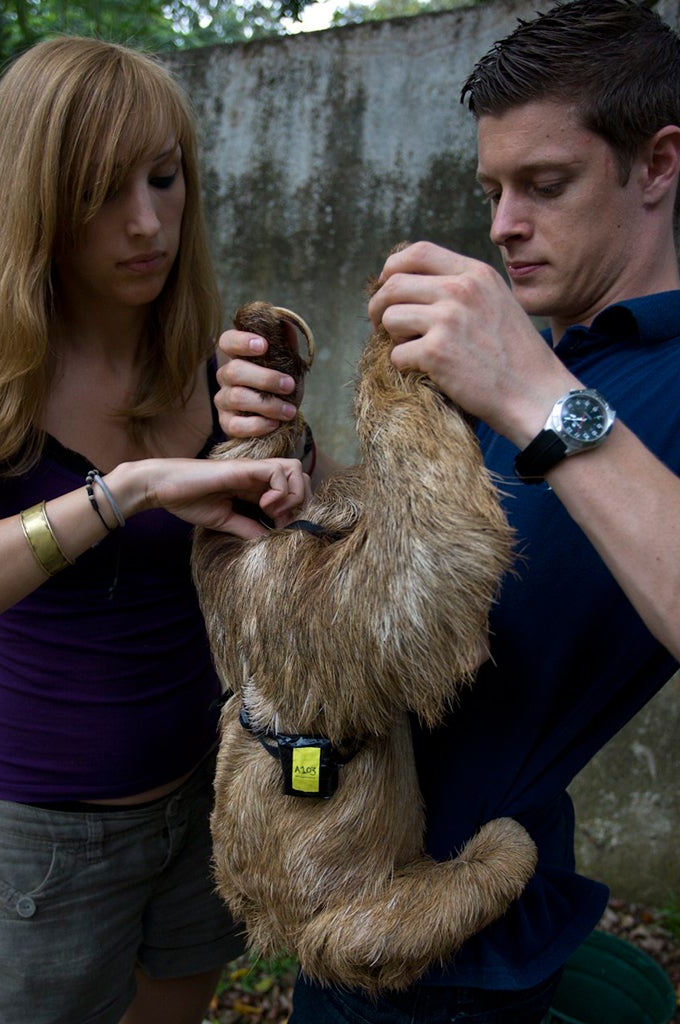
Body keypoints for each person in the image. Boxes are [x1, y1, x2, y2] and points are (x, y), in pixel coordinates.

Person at [215, 0, 680, 1020]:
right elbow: (416, 556)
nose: (505, 223)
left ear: (656, 165)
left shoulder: (573, 376)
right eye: (493, 188)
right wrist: (291, 457)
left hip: (459, 934)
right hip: (341, 851)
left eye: (544, 185)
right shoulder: (527, 349)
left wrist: (536, 395)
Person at [0, 37, 309, 1024]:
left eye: (165, 179)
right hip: (47, 836)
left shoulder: (198, 348)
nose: (147, 223)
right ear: (36, 202)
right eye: (101, 191)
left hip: (206, 797)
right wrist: (116, 496)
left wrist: (288, 454)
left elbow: (275, 553)